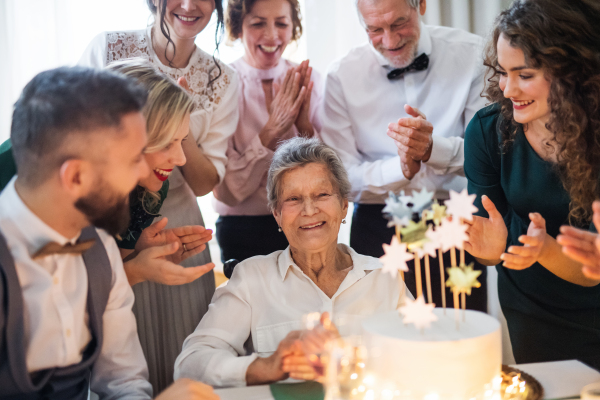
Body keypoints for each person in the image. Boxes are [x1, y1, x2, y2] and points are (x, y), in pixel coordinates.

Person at [0, 66, 219, 400]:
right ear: (75, 177)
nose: (143, 172)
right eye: (133, 160)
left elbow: (124, 383)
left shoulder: (101, 249)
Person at [78, 0, 239, 392]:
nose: (188, 4)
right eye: (167, 141)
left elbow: (203, 181)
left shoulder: (223, 78)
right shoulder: (107, 48)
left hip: (171, 225)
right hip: (107, 212)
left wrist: (172, 118)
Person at [173, 137, 409, 387]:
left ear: (343, 206)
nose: (309, 210)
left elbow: (421, 354)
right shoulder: (252, 279)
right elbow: (190, 364)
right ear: (277, 214)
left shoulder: (384, 278)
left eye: (321, 194)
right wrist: (267, 366)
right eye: (293, 199)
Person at [319, 0, 487, 310]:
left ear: (421, 4)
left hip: (453, 222)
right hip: (378, 225)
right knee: (382, 340)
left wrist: (432, 150)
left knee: (460, 336)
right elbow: (341, 177)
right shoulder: (341, 76)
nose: (390, 40)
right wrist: (400, 168)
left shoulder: (472, 54)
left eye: (399, 24)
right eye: (374, 29)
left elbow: (488, 155)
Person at [463, 0, 600, 369]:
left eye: (524, 75)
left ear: (573, 71)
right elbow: (490, 248)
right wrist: (489, 250)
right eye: (503, 72)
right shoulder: (488, 131)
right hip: (531, 309)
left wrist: (543, 249)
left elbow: (594, 267)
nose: (508, 90)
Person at [212, 0, 321, 262]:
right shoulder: (220, 85)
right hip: (242, 231)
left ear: (293, 26)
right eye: (258, 23)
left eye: (282, 23)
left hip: (307, 223)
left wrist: (305, 127)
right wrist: (272, 130)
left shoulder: (310, 79)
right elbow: (228, 192)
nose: (272, 35)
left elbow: (330, 177)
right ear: (237, 28)